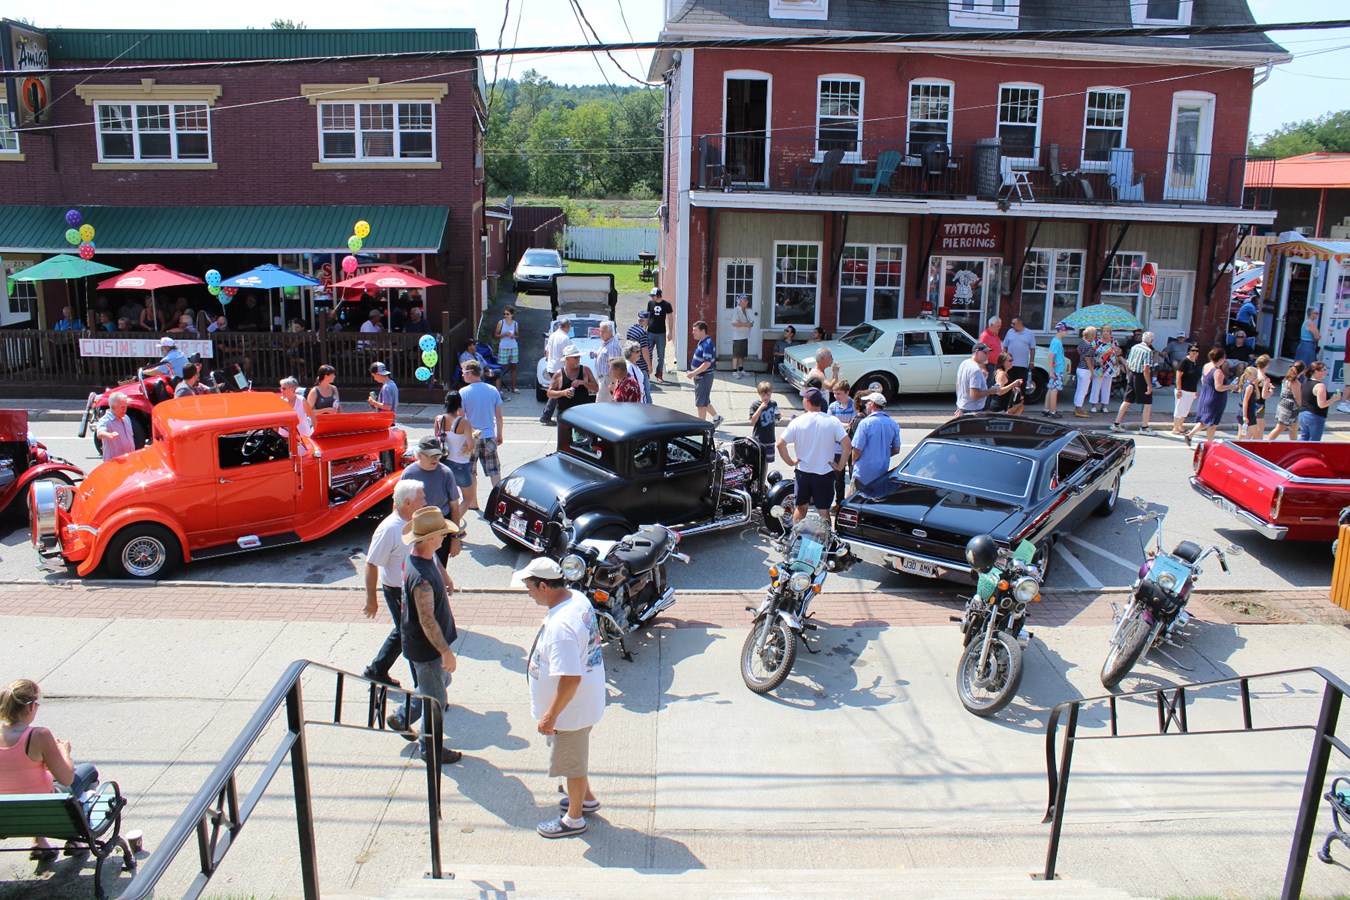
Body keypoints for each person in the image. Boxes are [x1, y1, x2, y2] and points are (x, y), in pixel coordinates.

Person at [519, 557, 606, 839]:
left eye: (530, 588)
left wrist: (550, 715)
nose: (529, 594)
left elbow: (570, 679)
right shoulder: (576, 598)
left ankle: (574, 819)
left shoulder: (561, 628)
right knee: (575, 758)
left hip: (571, 712)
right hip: (582, 704)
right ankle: (586, 799)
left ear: (544, 586)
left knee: (572, 765)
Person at [0, 679, 100, 862]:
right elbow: (67, 779)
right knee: (88, 771)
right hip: (45, 811)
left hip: (6, 816)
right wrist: (64, 751)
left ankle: (40, 842)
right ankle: (74, 839)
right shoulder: (39, 735)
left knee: (30, 789)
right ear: (30, 706)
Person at [393, 507, 462, 765]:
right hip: (428, 650)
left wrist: (445, 576)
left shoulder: (420, 555)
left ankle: (402, 716)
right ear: (429, 538)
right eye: (442, 533)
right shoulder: (421, 578)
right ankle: (430, 748)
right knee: (436, 701)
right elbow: (427, 620)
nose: (445, 536)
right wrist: (445, 652)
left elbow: (434, 564)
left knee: (440, 682)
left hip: (424, 646)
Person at [361, 479, 426, 687]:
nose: (425, 502)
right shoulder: (389, 529)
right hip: (399, 592)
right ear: (407, 503)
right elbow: (371, 563)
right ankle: (423, 688)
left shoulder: (415, 520)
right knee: (412, 636)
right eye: (421, 499)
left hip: (414, 590)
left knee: (404, 633)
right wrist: (371, 599)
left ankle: (377, 670)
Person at [776, 388, 849, 523]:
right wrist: (839, 466)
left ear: (807, 402)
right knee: (823, 510)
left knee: (801, 508)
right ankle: (825, 535)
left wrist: (791, 462)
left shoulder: (798, 421)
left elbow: (780, 444)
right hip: (825, 473)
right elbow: (847, 445)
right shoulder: (833, 421)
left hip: (803, 473)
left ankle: (796, 533)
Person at [401, 436, 464, 564]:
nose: (435, 459)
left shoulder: (446, 473)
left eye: (437, 455)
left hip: (440, 526)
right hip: (418, 527)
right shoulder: (408, 474)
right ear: (420, 455)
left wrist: (455, 538)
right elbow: (399, 504)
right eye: (431, 455)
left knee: (440, 567)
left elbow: (454, 506)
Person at [460, 359, 505, 490]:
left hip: (471, 437)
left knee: (470, 472)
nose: (462, 375)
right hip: (489, 435)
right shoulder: (493, 390)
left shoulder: (463, 392)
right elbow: (499, 417)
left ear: (470, 373)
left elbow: (461, 418)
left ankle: (472, 500)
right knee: (494, 471)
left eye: (463, 372)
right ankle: (497, 498)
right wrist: (499, 434)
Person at [850, 391, 901, 499]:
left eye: (867, 403)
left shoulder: (865, 423)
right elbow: (896, 449)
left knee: (856, 500)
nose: (866, 405)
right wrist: (883, 454)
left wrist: (853, 462)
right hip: (881, 472)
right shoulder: (893, 424)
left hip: (862, 472)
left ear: (872, 404)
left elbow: (857, 449)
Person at [434, 391, 478, 512]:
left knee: (449, 497)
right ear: (459, 404)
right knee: (468, 498)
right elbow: (470, 445)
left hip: (443, 462)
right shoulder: (464, 422)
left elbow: (436, 439)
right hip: (460, 463)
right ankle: (455, 522)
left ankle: (448, 520)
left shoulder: (438, 419)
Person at [1185, 347, 1237, 446]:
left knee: (1206, 420)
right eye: (1224, 358)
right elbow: (1219, 387)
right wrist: (1231, 387)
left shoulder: (1206, 366)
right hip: (1215, 398)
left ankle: (1190, 435)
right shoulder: (1217, 371)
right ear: (1221, 359)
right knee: (1212, 423)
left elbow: (1203, 380)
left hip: (1205, 395)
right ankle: (1209, 444)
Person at [955, 342, 1018, 415]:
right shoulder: (975, 370)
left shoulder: (965, 363)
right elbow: (974, 395)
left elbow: (958, 385)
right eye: (985, 352)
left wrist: (959, 405)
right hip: (973, 411)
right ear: (976, 353)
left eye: (988, 352)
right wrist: (990, 391)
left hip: (964, 408)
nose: (988, 355)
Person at [1111, 331, 1155, 434]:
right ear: (1151, 341)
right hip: (1141, 377)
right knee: (1148, 402)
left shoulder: (1134, 347)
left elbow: (1127, 363)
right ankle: (1144, 427)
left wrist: (1128, 375)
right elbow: (1146, 369)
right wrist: (1149, 385)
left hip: (1132, 374)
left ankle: (1116, 423)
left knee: (1127, 400)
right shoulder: (1148, 351)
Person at [545, 346, 598, 421]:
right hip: (564, 415)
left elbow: (596, 388)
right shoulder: (559, 373)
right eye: (575, 357)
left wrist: (583, 383)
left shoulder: (585, 370)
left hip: (582, 414)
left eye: (579, 357)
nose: (578, 359)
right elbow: (549, 393)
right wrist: (563, 392)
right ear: (567, 359)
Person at [1298, 361, 1347, 442]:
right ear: (1316, 371)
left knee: (1304, 438)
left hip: (1303, 414)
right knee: (1314, 441)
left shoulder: (1306, 381)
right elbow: (1322, 404)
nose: (1325, 372)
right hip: (1315, 416)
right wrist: (1334, 398)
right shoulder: (1320, 386)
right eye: (1323, 370)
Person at [686, 320, 722, 427]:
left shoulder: (707, 345)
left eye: (695, 330)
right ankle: (717, 418)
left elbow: (707, 364)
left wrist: (693, 373)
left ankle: (701, 427)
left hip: (704, 377)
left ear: (702, 331)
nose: (693, 333)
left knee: (701, 404)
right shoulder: (703, 342)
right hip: (701, 376)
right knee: (704, 401)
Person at [827, 380, 856, 505]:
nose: (836, 396)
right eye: (834, 393)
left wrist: (838, 424)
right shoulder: (833, 406)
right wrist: (844, 425)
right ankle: (839, 502)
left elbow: (853, 424)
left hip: (853, 448)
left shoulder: (855, 406)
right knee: (838, 477)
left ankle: (852, 502)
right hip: (837, 448)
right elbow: (830, 424)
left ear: (847, 393)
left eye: (838, 393)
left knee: (853, 476)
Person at [539, 318, 573, 425]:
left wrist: (549, 362)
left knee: (557, 392)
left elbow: (547, 352)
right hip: (560, 369)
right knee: (559, 393)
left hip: (551, 367)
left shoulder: (553, 335)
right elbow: (569, 355)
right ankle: (547, 416)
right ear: (568, 327)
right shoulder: (565, 338)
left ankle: (549, 416)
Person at [1267, 361, 1306, 441]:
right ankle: (1267, 443)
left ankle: (1294, 444)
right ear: (1302, 371)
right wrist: (1303, 407)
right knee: (1280, 428)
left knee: (1293, 428)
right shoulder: (1296, 383)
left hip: (1283, 405)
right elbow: (1297, 397)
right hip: (1290, 409)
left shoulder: (1286, 379)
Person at [94, 393, 138, 462]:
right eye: (122, 407)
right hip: (114, 462)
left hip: (128, 460)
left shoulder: (126, 418)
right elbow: (100, 433)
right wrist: (109, 435)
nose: (125, 409)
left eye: (126, 406)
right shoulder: (105, 420)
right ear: (113, 407)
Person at [1172, 345, 1203, 435]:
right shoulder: (1184, 361)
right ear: (1189, 351)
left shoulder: (1196, 362)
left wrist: (1195, 390)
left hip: (1191, 390)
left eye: (1197, 351)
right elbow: (1178, 376)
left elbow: (1195, 378)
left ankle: (1180, 426)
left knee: (1186, 410)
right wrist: (1179, 389)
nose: (1195, 352)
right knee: (1179, 409)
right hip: (1183, 389)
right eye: (1193, 350)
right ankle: (1175, 428)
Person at [748, 381, 781, 463]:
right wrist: (760, 408)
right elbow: (752, 421)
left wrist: (779, 416)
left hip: (770, 438)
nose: (766, 397)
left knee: (767, 461)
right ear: (759, 394)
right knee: (757, 461)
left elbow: (777, 417)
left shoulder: (773, 403)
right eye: (763, 395)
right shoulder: (755, 405)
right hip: (759, 439)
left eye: (768, 395)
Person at [625, 311, 655, 401]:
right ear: (647, 321)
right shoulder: (643, 333)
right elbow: (645, 350)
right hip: (642, 366)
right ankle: (648, 407)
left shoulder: (631, 329)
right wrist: (649, 366)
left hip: (632, 363)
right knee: (645, 390)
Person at [590, 322, 622, 404]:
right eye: (600, 331)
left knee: (601, 406)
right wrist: (596, 354)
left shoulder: (612, 346)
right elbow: (605, 357)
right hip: (602, 379)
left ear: (610, 332)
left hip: (607, 380)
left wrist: (613, 383)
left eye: (603, 332)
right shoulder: (606, 342)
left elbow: (615, 366)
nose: (601, 334)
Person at [646, 287, 673, 381]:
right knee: (648, 354)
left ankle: (659, 374)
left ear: (658, 295)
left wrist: (670, 332)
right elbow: (648, 316)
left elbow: (670, 318)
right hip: (650, 332)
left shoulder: (666, 304)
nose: (652, 297)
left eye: (653, 296)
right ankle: (647, 374)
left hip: (661, 333)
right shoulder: (650, 303)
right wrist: (644, 329)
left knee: (661, 356)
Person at [1042, 322, 1068, 418]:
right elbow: (1050, 356)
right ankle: (1053, 412)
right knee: (1054, 390)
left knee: (1051, 388)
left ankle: (1046, 409)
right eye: (1065, 330)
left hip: (1056, 369)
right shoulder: (1057, 342)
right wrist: (1052, 371)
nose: (1067, 332)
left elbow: (1051, 356)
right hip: (1057, 370)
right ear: (1060, 330)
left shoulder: (1056, 340)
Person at [1002, 316, 1036, 388]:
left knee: (1021, 386)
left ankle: (1020, 395)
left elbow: (1032, 349)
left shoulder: (1030, 333)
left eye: (1013, 323)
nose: (1011, 325)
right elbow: (1005, 347)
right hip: (1010, 365)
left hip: (1022, 365)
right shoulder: (1010, 332)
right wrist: (1003, 361)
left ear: (1020, 323)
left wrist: (1031, 362)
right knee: (1008, 384)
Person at [1091, 325, 1119, 414]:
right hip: (1099, 367)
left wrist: (1116, 349)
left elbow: (1118, 353)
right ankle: (1094, 406)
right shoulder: (1096, 341)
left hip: (1109, 367)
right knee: (1096, 386)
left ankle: (1104, 406)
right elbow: (1092, 353)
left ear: (1110, 333)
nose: (1106, 333)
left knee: (1107, 388)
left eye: (1107, 331)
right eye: (1104, 331)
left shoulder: (1114, 341)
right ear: (1101, 332)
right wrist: (1097, 361)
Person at [1073, 326, 1099, 417]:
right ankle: (1079, 409)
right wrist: (1092, 371)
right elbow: (1088, 359)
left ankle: (1077, 407)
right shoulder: (1090, 345)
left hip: (1080, 368)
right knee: (1083, 390)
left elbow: (1078, 350)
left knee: (1079, 389)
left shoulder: (1082, 342)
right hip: (1085, 370)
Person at [730, 294, 756, 378]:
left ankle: (741, 369)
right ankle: (735, 371)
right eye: (745, 300)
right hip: (738, 336)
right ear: (740, 302)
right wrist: (747, 324)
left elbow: (748, 320)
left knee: (742, 354)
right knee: (736, 354)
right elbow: (734, 323)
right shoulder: (736, 311)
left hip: (744, 336)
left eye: (747, 300)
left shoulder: (745, 310)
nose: (747, 302)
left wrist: (750, 323)